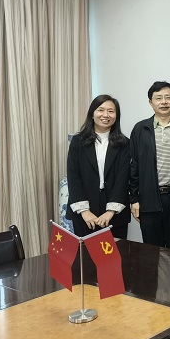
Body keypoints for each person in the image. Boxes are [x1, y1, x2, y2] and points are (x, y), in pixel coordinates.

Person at [129, 81, 170, 250]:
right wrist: (134, 199)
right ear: (151, 102)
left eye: (168, 97)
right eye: (158, 98)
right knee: (152, 251)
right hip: (148, 199)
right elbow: (134, 166)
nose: (164, 102)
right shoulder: (140, 129)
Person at [66, 94, 131, 239]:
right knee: (85, 251)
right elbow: (73, 176)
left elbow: (123, 177)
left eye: (111, 111)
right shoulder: (78, 141)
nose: (105, 115)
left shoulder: (124, 143)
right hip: (84, 209)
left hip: (114, 209)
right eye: (101, 110)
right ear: (92, 113)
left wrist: (111, 211)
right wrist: (84, 211)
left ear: (116, 116)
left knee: (114, 251)